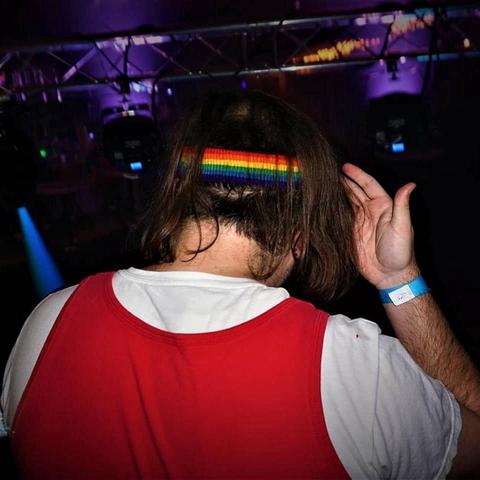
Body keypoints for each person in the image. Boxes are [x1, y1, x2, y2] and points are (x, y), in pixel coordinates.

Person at [1, 89, 479, 479]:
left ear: (176, 193)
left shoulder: (46, 327)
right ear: (300, 225)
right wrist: (398, 280)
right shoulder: (351, 367)